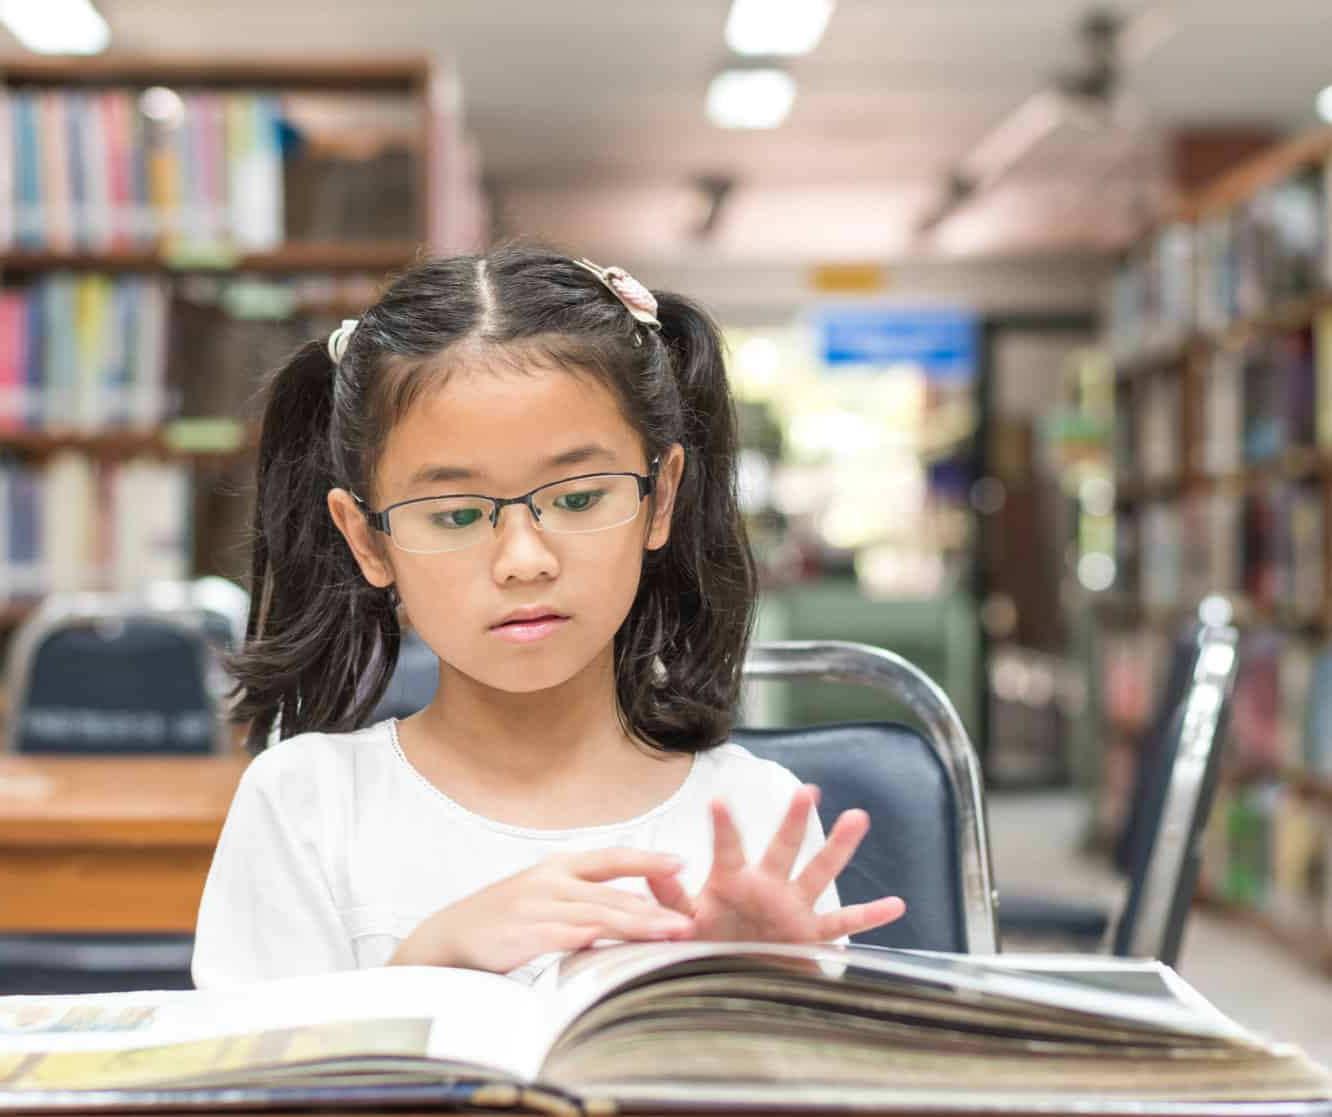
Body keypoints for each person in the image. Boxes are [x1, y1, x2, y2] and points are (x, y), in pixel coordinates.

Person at [192, 246, 904, 986]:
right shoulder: (305, 805)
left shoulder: (757, 816)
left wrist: (759, 1000)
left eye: (577, 499)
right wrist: (428, 961)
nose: (523, 559)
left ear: (659, 497)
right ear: (368, 539)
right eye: (458, 513)